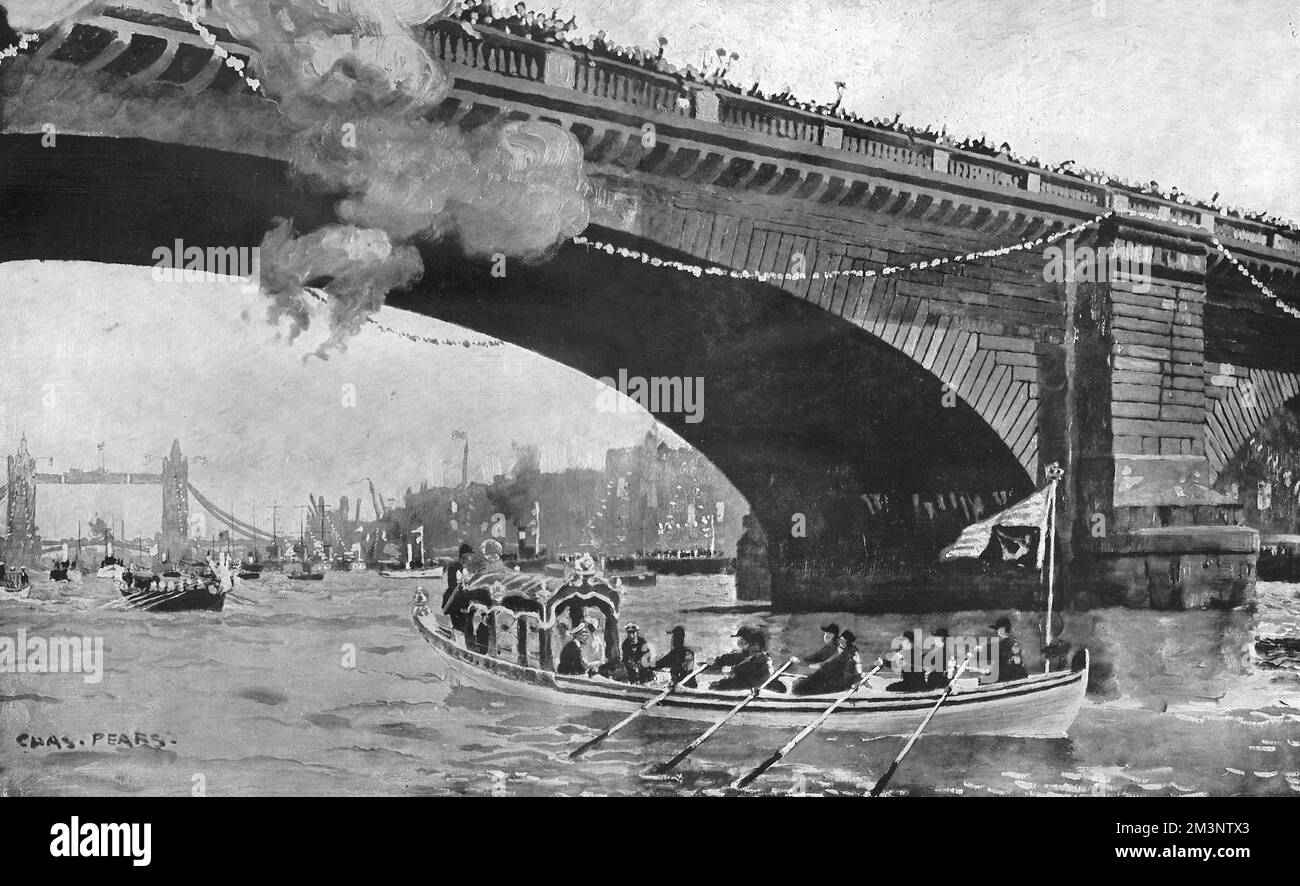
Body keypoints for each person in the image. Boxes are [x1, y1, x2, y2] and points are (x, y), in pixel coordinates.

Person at [708, 628, 785, 692]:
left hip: (752, 685)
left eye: (741, 639)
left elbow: (743, 672)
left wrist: (731, 670)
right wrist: (717, 661)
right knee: (719, 683)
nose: (739, 642)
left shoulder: (760, 658)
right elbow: (732, 658)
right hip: (749, 683)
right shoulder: (746, 653)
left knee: (718, 685)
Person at [794, 630, 863, 695]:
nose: (842, 643)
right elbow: (820, 659)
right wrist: (803, 662)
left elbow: (858, 665)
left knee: (808, 688)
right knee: (802, 685)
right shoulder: (833, 648)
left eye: (845, 641)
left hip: (841, 680)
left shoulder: (853, 652)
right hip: (827, 676)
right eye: (841, 640)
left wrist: (859, 676)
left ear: (849, 642)